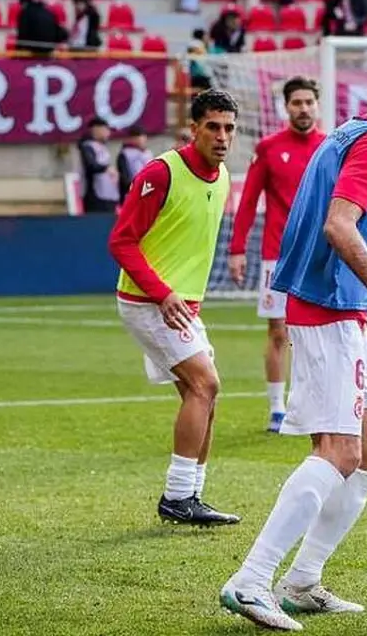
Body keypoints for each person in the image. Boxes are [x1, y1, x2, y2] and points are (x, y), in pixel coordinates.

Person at [219, 48, 367, 631]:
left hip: (339, 309)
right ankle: (251, 579)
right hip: (326, 312)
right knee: (340, 452)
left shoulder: (347, 132)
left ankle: (302, 580)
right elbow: (338, 225)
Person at [108, 89, 242, 527]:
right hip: (148, 302)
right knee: (206, 384)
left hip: (181, 307)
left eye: (229, 129)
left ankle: (192, 495)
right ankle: (177, 495)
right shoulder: (161, 173)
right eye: (213, 127)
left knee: (204, 394)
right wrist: (163, 293)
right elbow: (121, 241)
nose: (222, 137)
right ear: (194, 128)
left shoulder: (222, 178)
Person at [227, 77, 326, 434]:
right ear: (286, 107)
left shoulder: (329, 147)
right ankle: (276, 407)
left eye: (308, 102)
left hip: (319, 255)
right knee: (278, 332)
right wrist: (237, 249)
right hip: (278, 257)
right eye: (296, 102)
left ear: (317, 105)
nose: (303, 108)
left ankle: (311, 403)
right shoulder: (269, 147)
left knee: (316, 332)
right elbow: (249, 200)